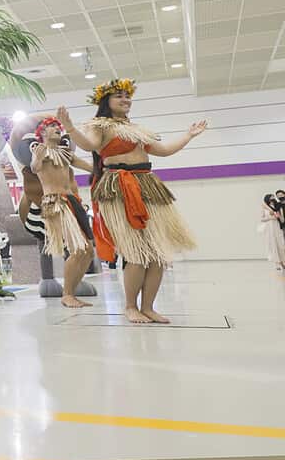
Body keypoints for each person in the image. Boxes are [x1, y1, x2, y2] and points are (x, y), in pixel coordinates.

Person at [57, 79, 206, 324]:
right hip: (118, 186)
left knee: (158, 254)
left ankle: (148, 307)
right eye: (119, 96)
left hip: (147, 184)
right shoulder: (100, 126)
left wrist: (188, 135)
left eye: (127, 96)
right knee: (136, 253)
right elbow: (90, 145)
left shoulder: (136, 129)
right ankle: (130, 306)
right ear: (106, 101)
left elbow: (165, 150)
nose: (125, 100)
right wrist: (70, 127)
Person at [29, 117, 96, 308]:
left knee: (89, 251)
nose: (57, 129)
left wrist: (106, 166)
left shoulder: (65, 153)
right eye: (52, 126)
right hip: (56, 203)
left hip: (73, 201)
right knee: (77, 249)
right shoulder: (38, 150)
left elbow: (90, 167)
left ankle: (71, 293)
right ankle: (67, 295)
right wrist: (39, 158)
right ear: (42, 133)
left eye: (58, 126)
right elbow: (35, 168)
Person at [259, 194, 285, 271]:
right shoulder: (265, 208)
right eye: (271, 198)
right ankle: (277, 263)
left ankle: (283, 261)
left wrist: (279, 216)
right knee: (273, 244)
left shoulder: (277, 207)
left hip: (277, 226)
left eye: (273, 198)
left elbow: (281, 218)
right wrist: (271, 218)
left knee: (281, 244)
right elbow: (262, 219)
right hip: (270, 228)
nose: (273, 199)